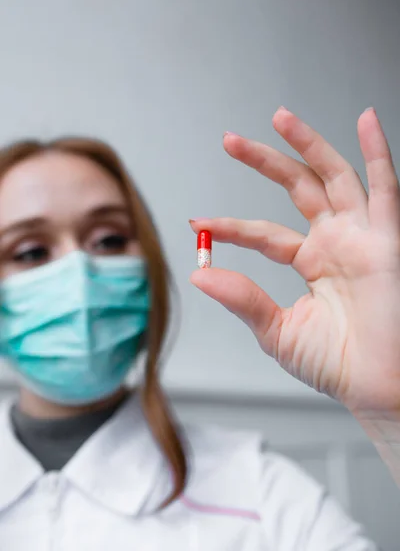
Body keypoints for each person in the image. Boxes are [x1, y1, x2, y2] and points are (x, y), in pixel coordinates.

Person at [0, 106, 398, 550]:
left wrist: (394, 411)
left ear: (150, 267)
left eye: (109, 240)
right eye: (31, 251)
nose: (79, 273)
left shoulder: (263, 498)